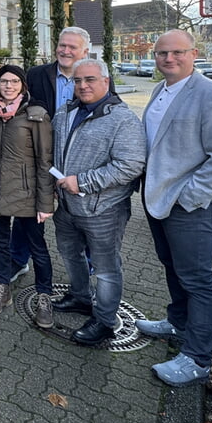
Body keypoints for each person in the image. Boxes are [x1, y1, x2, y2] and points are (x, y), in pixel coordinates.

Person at [136, 30, 212, 386]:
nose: (169, 59)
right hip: (158, 201)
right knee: (172, 267)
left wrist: (189, 197)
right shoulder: (159, 90)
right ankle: (178, 323)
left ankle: (197, 358)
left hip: (190, 207)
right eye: (162, 53)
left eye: (177, 52)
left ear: (194, 53)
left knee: (197, 281)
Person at [51, 59, 146, 346]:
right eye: (78, 81)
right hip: (67, 206)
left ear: (106, 81)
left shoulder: (122, 119)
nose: (83, 86)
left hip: (103, 209)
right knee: (71, 255)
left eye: (90, 80)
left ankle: (105, 321)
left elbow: (130, 165)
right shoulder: (66, 111)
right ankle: (80, 297)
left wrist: (82, 182)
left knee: (106, 268)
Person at [9, 27, 94, 282]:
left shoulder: (93, 78)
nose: (65, 51)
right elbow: (17, 102)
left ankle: (88, 266)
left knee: (81, 214)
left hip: (77, 160)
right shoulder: (36, 75)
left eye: (72, 47)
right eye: (62, 45)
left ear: (85, 52)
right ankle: (17, 259)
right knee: (28, 211)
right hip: (38, 157)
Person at [0, 64, 56, 328]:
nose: (8, 86)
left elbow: (45, 160)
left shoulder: (36, 115)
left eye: (14, 81)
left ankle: (44, 296)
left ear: (23, 85)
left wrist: (46, 202)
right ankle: (2, 287)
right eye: (4, 81)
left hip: (27, 195)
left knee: (38, 248)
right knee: (1, 244)